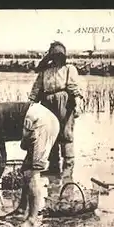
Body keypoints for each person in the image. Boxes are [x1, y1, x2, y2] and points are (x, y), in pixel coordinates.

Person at [28, 41, 84, 178]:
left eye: (59, 56)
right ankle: (54, 168)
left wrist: (78, 103)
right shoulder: (45, 71)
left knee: (65, 134)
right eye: (54, 55)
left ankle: (67, 169)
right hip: (47, 103)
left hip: (64, 102)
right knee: (50, 134)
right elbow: (36, 89)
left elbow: (74, 87)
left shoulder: (69, 69)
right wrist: (30, 105)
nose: (57, 58)